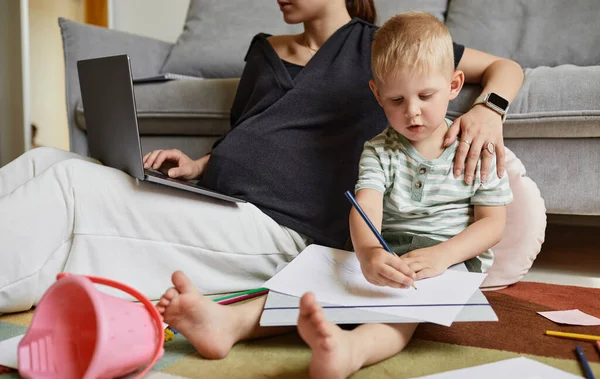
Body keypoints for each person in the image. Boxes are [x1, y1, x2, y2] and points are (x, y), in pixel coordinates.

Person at [0, 0, 524, 319]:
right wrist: (200, 165)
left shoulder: (387, 51)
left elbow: (505, 67)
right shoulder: (264, 49)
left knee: (70, 183)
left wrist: (489, 109)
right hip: (219, 199)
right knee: (44, 159)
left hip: (280, 228)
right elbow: (247, 133)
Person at [156, 9, 514, 379]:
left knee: (397, 312)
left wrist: (443, 256)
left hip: (449, 263)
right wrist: (369, 252)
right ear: (376, 94)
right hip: (384, 252)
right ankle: (229, 323)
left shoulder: (475, 146)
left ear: (454, 85)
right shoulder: (379, 150)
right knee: (314, 278)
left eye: (426, 96)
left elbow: (492, 223)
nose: (412, 112)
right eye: (396, 100)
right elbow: (367, 205)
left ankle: (352, 349)